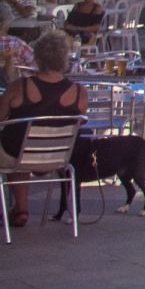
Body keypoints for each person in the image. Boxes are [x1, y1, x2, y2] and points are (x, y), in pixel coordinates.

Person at [0, 31, 86, 226]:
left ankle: (20, 208)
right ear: (64, 59)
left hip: (16, 155)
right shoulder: (79, 92)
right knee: (23, 148)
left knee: (17, 148)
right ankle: (19, 208)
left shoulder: (19, 87)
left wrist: (10, 79)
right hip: (59, 157)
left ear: (37, 59)